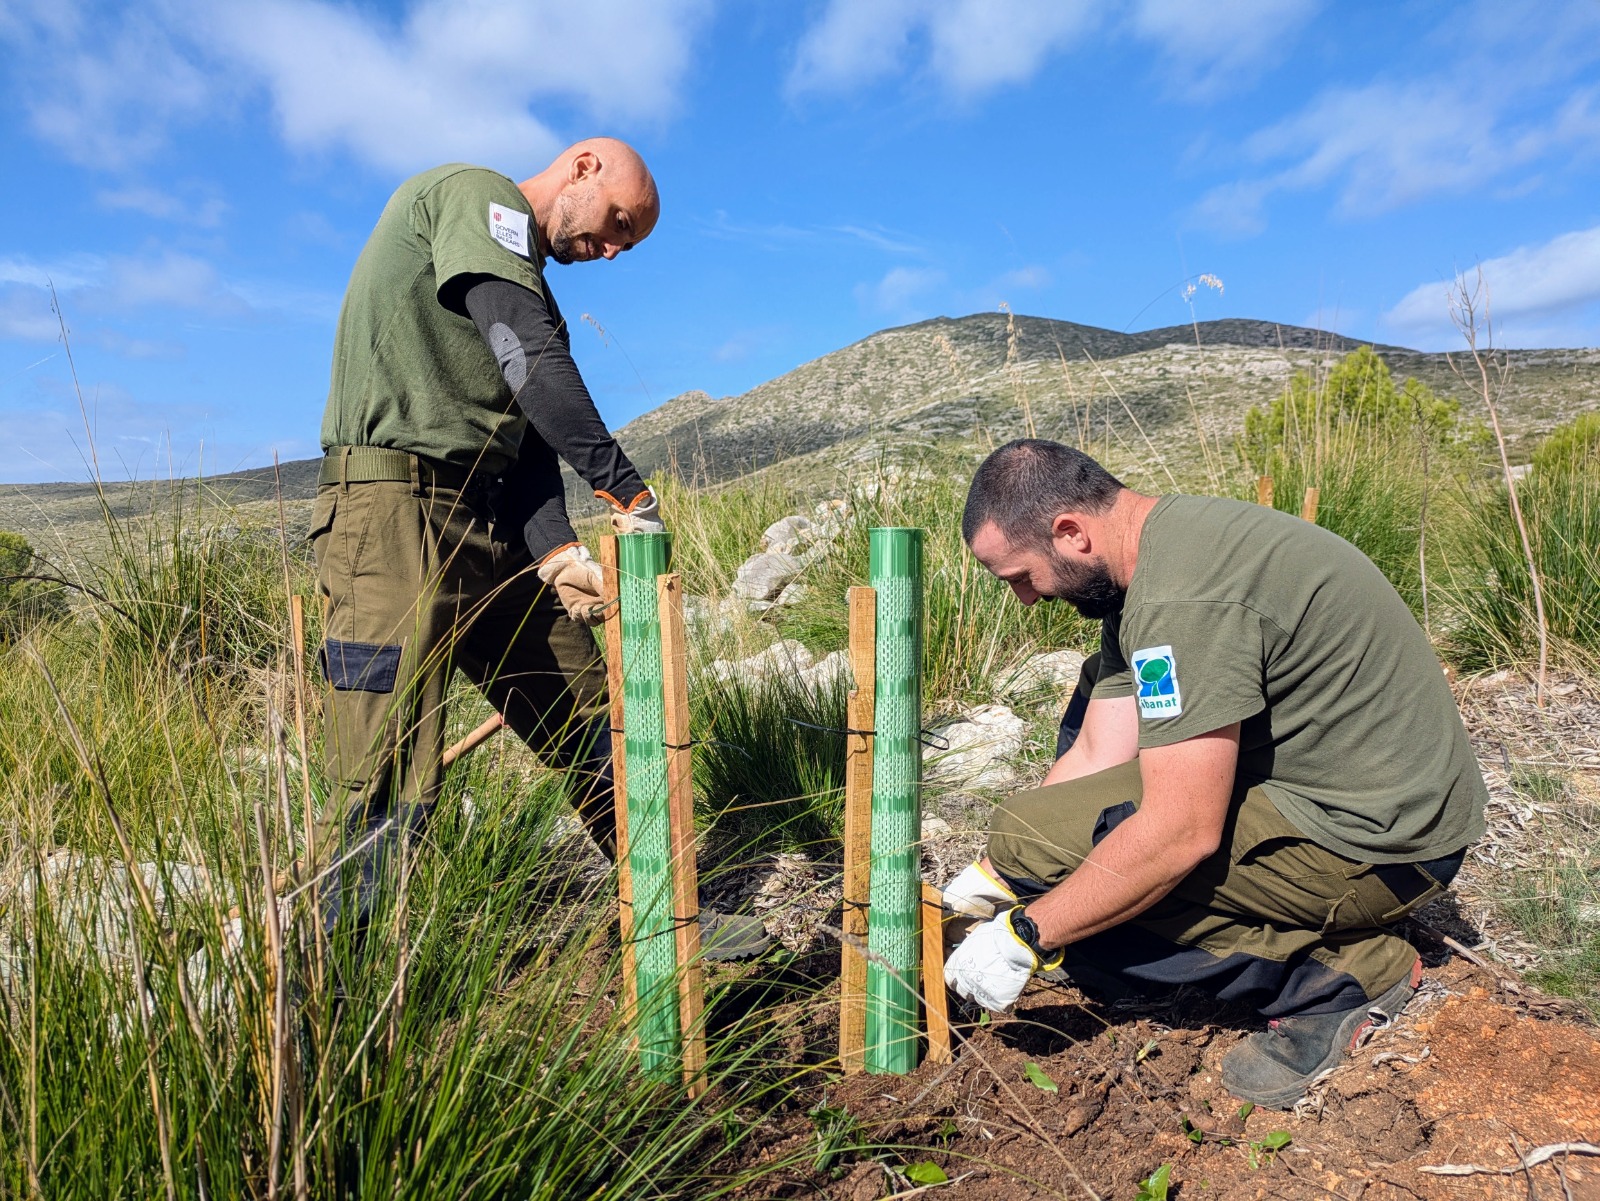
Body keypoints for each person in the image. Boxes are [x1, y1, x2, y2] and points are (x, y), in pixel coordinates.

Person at [310, 138, 765, 957]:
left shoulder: (531, 291)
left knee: (593, 719)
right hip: (391, 513)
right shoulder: (473, 197)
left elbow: (523, 450)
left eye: (629, 243)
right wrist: (627, 492)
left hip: (486, 524)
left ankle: (671, 923)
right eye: (619, 223)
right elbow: (527, 359)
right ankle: (341, 987)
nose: (614, 249)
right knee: (386, 772)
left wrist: (555, 553)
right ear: (583, 166)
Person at [942, 439, 1486, 1108]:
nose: (1025, 599)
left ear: (1070, 533)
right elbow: (1096, 754)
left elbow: (1181, 834)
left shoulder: (1183, 600)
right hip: (1335, 787)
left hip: (1382, 845)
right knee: (1043, 850)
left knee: (1104, 914)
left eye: (1020, 576)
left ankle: (1341, 978)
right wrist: (996, 877)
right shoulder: (1153, 559)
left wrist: (1028, 934)